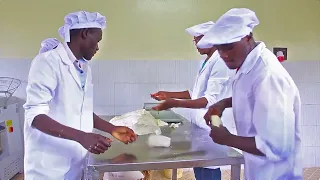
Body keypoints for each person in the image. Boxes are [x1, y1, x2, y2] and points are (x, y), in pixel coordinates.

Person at [23, 11, 137, 179]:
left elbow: (80, 109)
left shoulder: (83, 68)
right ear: (85, 34)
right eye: (97, 41)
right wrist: (82, 136)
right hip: (49, 166)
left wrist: (111, 129)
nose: (98, 47)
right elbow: (35, 116)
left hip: (76, 160)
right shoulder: (48, 62)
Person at [198, 8, 302, 179]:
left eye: (229, 47)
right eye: (219, 48)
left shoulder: (267, 74)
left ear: (247, 37)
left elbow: (278, 146)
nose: (224, 55)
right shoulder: (247, 65)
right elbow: (253, 95)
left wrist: (227, 138)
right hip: (257, 169)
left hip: (277, 174)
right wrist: (223, 103)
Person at [150, 21, 235, 180]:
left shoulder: (220, 62)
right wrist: (168, 94)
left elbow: (210, 100)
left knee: (210, 167)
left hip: (212, 125)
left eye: (198, 39)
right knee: (200, 166)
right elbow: (196, 94)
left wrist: (175, 103)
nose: (195, 43)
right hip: (200, 127)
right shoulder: (206, 61)